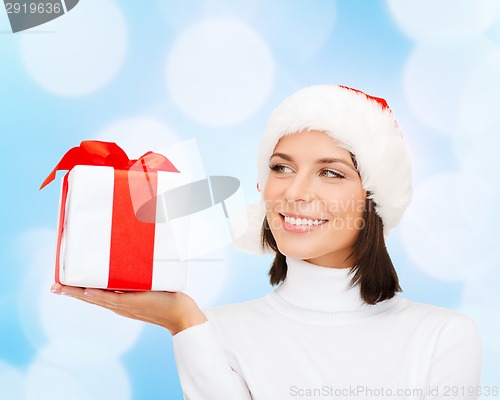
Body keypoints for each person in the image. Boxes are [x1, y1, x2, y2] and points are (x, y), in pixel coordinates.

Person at [51, 85, 482, 399]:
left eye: (330, 172)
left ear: (374, 200)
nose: (294, 193)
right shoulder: (213, 331)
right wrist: (184, 323)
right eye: (281, 168)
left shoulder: (442, 337)